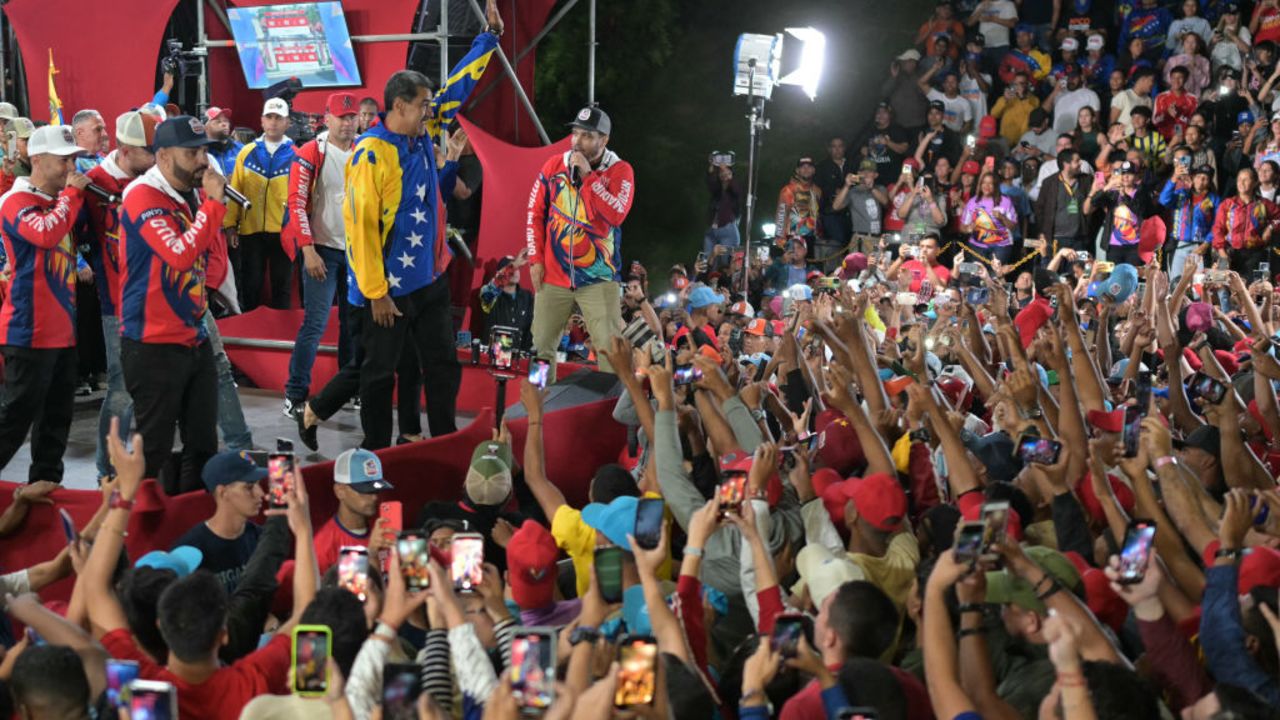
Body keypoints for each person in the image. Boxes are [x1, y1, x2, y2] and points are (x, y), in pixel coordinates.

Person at [345, 21, 501, 449]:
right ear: (399, 105)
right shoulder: (371, 154)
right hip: (387, 290)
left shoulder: (425, 130)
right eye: (424, 106)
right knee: (380, 372)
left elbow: (459, 86)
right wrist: (376, 291)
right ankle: (375, 450)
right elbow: (359, 229)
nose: (432, 111)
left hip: (429, 278)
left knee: (442, 363)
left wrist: (488, 40)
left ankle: (444, 438)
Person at [118, 116, 227, 494]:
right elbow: (179, 254)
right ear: (163, 156)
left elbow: (208, 249)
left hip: (192, 335)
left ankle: (190, 526)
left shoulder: (188, 193)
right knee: (153, 448)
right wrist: (214, 205)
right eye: (192, 152)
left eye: (204, 152)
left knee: (203, 443)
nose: (202, 161)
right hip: (152, 342)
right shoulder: (142, 195)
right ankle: (137, 532)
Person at [0, 125, 88, 485]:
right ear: (36, 160)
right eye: (63, 159)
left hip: (62, 330)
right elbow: (46, 233)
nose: (71, 167)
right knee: (15, 417)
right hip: (27, 329)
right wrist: (71, 195)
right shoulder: (15, 201)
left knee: (56, 419)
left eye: (73, 159)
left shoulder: (58, 201)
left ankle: (45, 485)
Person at [526, 105, 636, 383]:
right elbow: (534, 214)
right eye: (575, 133)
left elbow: (615, 214)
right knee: (541, 347)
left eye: (587, 136)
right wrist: (535, 260)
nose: (577, 141)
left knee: (610, 350)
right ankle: (539, 403)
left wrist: (589, 177)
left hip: (599, 279)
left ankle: (608, 415)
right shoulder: (554, 165)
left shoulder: (620, 170)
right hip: (553, 276)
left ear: (604, 140)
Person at [81, 111, 158, 480]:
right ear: (128, 151)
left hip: (162, 297)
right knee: (122, 386)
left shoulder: (155, 179)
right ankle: (107, 470)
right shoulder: (94, 182)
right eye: (150, 151)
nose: (158, 157)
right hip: (118, 300)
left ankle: (145, 468)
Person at [280, 92, 359, 419]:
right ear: (326, 118)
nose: (347, 123)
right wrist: (307, 249)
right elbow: (296, 202)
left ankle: (348, 390)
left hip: (356, 252)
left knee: (352, 325)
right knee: (315, 323)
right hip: (322, 249)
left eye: (352, 116)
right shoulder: (311, 151)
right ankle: (295, 394)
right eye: (341, 117)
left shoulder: (365, 150)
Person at [224, 97, 295, 311]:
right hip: (250, 231)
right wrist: (229, 225)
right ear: (262, 121)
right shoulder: (246, 153)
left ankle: (283, 337)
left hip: (284, 232)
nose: (273, 122)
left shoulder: (297, 155)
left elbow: (302, 197)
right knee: (250, 285)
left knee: (282, 288)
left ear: (287, 123)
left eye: (278, 118)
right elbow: (236, 190)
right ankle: (251, 332)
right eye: (269, 117)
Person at [169, 449, 265, 593]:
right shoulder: (191, 552)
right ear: (222, 492)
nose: (261, 493)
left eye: (259, 484)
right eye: (249, 487)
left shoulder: (260, 537)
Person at [1085, 159, 1158, 266]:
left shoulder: (1142, 192)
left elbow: (1138, 210)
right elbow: (1094, 202)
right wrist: (1107, 187)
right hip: (1114, 245)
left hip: (1135, 245)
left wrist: (1124, 195)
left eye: (1130, 174)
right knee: (1114, 278)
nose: (1126, 177)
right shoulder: (1113, 193)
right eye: (1123, 173)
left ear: (1136, 177)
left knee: (1132, 277)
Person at [1212, 165, 1280, 275]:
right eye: (1239, 179)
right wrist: (1221, 252)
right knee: (1221, 286)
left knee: (1252, 289)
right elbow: (1218, 229)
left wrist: (1270, 227)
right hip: (1228, 252)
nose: (1241, 182)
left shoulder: (1263, 204)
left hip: (1255, 254)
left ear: (1254, 183)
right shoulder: (1227, 204)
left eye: (1246, 179)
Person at [1160, 162, 1220, 278]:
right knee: (1175, 284)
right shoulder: (1182, 194)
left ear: (1210, 182)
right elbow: (1164, 200)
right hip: (1179, 245)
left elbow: (1217, 224)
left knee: (1199, 286)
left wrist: (1206, 244)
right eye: (1198, 177)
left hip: (1200, 247)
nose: (1201, 180)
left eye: (1205, 178)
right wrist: (1174, 178)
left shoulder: (1214, 199)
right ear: (1193, 178)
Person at [1035, 148, 1095, 254]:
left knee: (1080, 269)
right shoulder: (1049, 183)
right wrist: (1042, 232)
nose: (1081, 163)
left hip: (1080, 239)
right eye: (1077, 161)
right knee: (1055, 268)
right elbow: (1040, 210)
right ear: (1066, 164)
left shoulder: (1087, 180)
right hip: (1055, 239)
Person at [961, 171, 1019, 263]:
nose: (986, 186)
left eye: (990, 183)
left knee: (996, 275)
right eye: (984, 183)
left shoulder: (1006, 201)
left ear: (996, 186)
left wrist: (1002, 218)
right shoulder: (973, 202)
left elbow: (1014, 227)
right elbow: (962, 227)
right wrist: (968, 229)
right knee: (976, 275)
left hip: (1001, 247)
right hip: (977, 246)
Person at [832, 159, 888, 245]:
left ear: (876, 175)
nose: (865, 174)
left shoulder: (880, 188)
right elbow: (836, 207)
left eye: (869, 171)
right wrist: (847, 185)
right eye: (862, 171)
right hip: (858, 238)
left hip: (877, 239)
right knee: (856, 259)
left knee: (877, 259)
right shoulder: (853, 191)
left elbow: (885, 202)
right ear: (858, 173)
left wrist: (872, 188)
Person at [816, 137, 852, 252]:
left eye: (840, 146)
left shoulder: (851, 164)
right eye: (834, 146)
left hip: (850, 212)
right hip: (830, 213)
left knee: (850, 245)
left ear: (844, 148)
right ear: (829, 149)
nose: (837, 149)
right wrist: (833, 191)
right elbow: (818, 188)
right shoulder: (821, 167)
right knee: (836, 246)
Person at [1046, 64, 1100, 135]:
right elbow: (1044, 111)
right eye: (1068, 77)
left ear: (1081, 77)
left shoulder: (1090, 95)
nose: (1070, 80)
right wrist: (1054, 92)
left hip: (1078, 139)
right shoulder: (1059, 93)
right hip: (1058, 139)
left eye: (1074, 77)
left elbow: (1096, 122)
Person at [704, 155, 741, 254]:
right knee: (706, 261)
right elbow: (711, 183)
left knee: (724, 264)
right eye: (722, 172)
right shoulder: (717, 190)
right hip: (712, 230)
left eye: (728, 173)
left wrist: (725, 169)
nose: (724, 174)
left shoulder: (735, 187)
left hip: (727, 230)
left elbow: (736, 189)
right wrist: (712, 168)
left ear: (732, 174)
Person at [991, 71, 1040, 145]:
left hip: (1024, 141)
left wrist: (1023, 98)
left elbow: (1034, 119)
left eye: (1022, 83)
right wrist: (1005, 100)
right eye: (1016, 84)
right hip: (1006, 141)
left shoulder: (1034, 100)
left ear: (1027, 84)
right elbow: (993, 114)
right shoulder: (1005, 98)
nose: (1019, 86)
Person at [1110, 68, 1156, 136]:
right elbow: (1112, 122)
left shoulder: (1149, 100)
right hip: (1123, 140)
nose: (1153, 84)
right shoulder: (1124, 95)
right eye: (1151, 80)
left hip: (1141, 140)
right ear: (1143, 79)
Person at [202, 107, 242, 176]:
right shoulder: (200, 152)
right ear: (205, 127)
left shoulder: (241, 149)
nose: (224, 124)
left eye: (226, 121)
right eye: (218, 122)